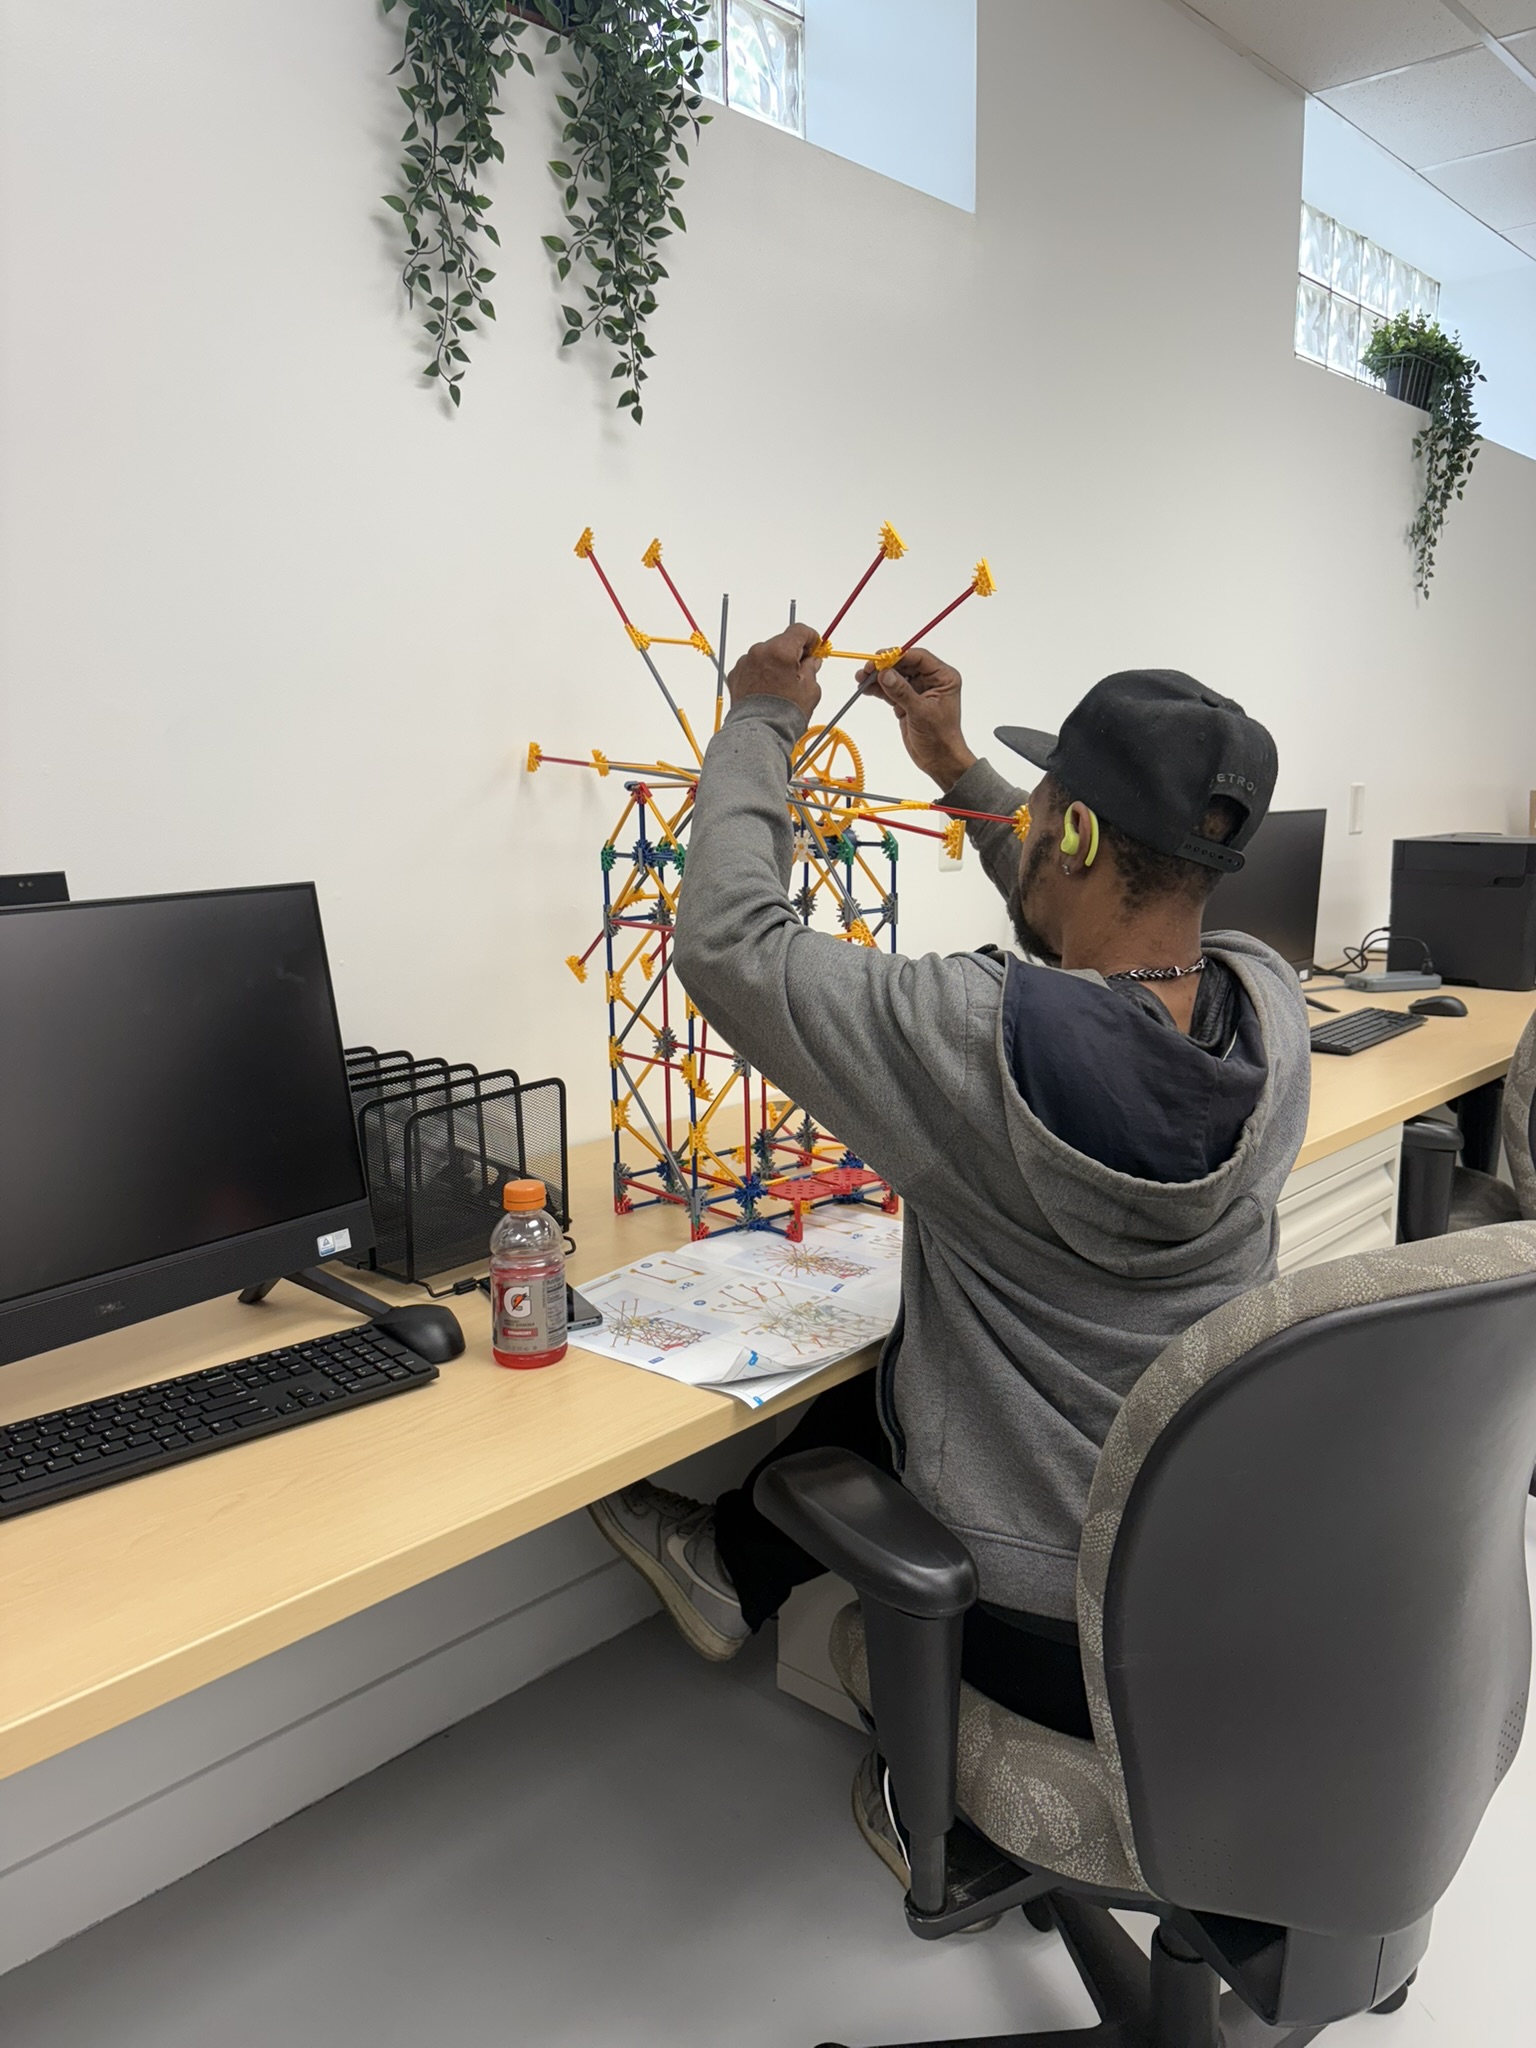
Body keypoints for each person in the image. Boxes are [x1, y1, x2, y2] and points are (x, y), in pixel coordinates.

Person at [590, 629, 1310, 1868]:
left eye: (1038, 811)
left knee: (895, 1379)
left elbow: (730, 945)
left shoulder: (971, 1038)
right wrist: (956, 766)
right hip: (1209, 1577)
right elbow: (1080, 956)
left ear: (1074, 834)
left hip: (1040, 1624)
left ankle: (930, 1786)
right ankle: (723, 1562)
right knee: (903, 1359)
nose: (1022, 822)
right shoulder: (1272, 1009)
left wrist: (760, 715)